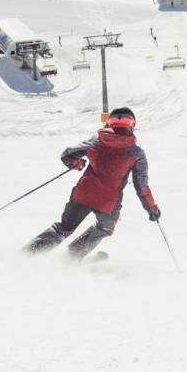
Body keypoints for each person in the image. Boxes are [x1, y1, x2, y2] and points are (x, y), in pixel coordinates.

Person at [25, 108, 160, 260]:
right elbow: (142, 186)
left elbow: (67, 154)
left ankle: (27, 255)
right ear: (132, 126)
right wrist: (151, 208)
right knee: (104, 228)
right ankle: (71, 257)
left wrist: (76, 163)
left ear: (109, 123)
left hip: (83, 194)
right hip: (108, 202)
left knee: (64, 228)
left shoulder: (97, 141)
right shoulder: (136, 153)